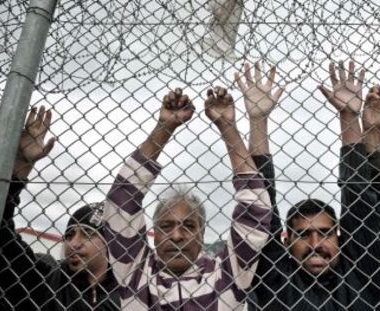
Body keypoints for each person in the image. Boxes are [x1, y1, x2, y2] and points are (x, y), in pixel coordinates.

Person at [102, 87, 272, 310]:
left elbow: (255, 209)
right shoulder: (134, 272)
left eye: (189, 226)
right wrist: (165, 127)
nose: (177, 236)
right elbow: (121, 200)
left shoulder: (227, 275)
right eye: (165, 226)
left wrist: (227, 126)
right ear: (154, 233)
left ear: (202, 233)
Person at [242, 60, 380, 310]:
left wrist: (349, 117)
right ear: (286, 242)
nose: (316, 244)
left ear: (340, 237)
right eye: (303, 234)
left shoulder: (360, 272)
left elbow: (359, 196)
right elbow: (261, 200)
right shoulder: (276, 280)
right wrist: (257, 120)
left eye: (326, 233)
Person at [0, 106, 120, 310]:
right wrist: (22, 164)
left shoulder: (131, 295)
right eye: (69, 235)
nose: (73, 244)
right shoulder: (44, 279)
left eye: (87, 234)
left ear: (110, 243)